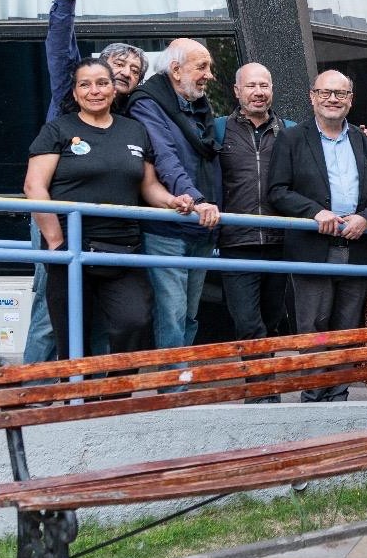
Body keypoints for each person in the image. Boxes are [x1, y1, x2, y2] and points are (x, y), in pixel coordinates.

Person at [23, 59, 212, 360]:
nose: (94, 91)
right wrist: (56, 242)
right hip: (71, 248)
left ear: (114, 89)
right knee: (72, 335)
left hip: (123, 248)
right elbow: (34, 187)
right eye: (85, 84)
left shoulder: (134, 131)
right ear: (74, 93)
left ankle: (113, 398)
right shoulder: (58, 129)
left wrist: (173, 201)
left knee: (135, 321)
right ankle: (76, 401)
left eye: (102, 83)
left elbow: (148, 187)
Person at [25, 0, 151, 367]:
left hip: (112, 238)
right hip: (57, 218)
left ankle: (92, 388)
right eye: (119, 67)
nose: (126, 74)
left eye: (135, 72)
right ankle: (36, 388)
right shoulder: (68, 95)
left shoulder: (132, 120)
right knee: (53, 313)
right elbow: (60, 46)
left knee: (105, 314)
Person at [267, 70, 367, 402]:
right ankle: (313, 399)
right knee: (313, 327)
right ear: (312, 97)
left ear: (350, 100)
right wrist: (312, 212)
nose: (332, 99)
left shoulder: (366, 143)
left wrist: (365, 218)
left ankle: (339, 396)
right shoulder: (292, 139)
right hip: (311, 248)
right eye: (325, 93)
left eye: (340, 94)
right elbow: (277, 191)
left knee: (346, 327)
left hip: (355, 247)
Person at [128, 39, 223, 359]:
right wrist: (196, 200)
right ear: (176, 69)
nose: (209, 75)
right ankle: (172, 392)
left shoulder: (199, 107)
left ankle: (180, 380)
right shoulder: (147, 103)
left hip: (202, 227)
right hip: (169, 227)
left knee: (190, 313)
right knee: (171, 313)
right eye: (202, 67)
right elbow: (166, 159)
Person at [217, 63, 294, 404]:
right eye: (251, 85)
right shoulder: (218, 130)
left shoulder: (290, 132)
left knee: (272, 320)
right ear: (237, 91)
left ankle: (265, 390)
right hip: (237, 242)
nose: (259, 91)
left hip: (281, 242)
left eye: (265, 84)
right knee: (248, 322)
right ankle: (261, 395)